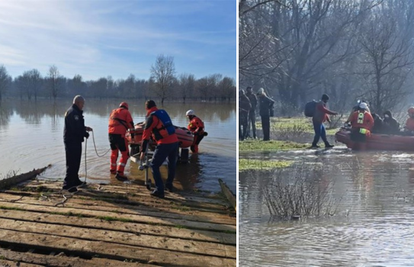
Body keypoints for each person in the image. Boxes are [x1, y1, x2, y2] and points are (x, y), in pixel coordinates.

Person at [139, 100, 179, 198]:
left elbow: (145, 136)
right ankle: (169, 185)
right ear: (155, 106)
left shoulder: (152, 117)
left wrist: (143, 151)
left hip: (165, 143)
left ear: (146, 108)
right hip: (175, 142)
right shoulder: (162, 112)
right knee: (171, 164)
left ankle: (159, 190)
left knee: (154, 165)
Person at [63, 95, 92, 193]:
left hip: (74, 140)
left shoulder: (74, 112)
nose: (83, 106)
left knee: (76, 161)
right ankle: (68, 184)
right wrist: (84, 133)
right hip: (72, 141)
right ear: (78, 103)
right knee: (72, 163)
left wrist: (85, 128)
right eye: (82, 104)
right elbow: (76, 129)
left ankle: (75, 180)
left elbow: (78, 126)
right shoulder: (73, 113)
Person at [108, 102, 134, 181]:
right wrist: (133, 136)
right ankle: (120, 173)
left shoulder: (113, 111)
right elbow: (131, 124)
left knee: (114, 153)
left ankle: (113, 170)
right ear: (126, 107)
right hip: (120, 136)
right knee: (125, 154)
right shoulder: (126, 112)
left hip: (111, 135)